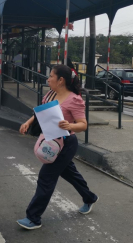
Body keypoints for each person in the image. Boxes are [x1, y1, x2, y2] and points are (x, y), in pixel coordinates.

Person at [17, 64, 98, 230]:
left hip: (65, 143)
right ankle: (89, 197)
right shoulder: (50, 94)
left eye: (51, 76)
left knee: (46, 178)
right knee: (70, 174)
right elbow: (40, 113)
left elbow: (83, 125)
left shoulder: (74, 99)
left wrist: (69, 125)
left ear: (61, 80)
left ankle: (33, 218)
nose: (48, 79)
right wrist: (28, 122)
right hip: (51, 140)